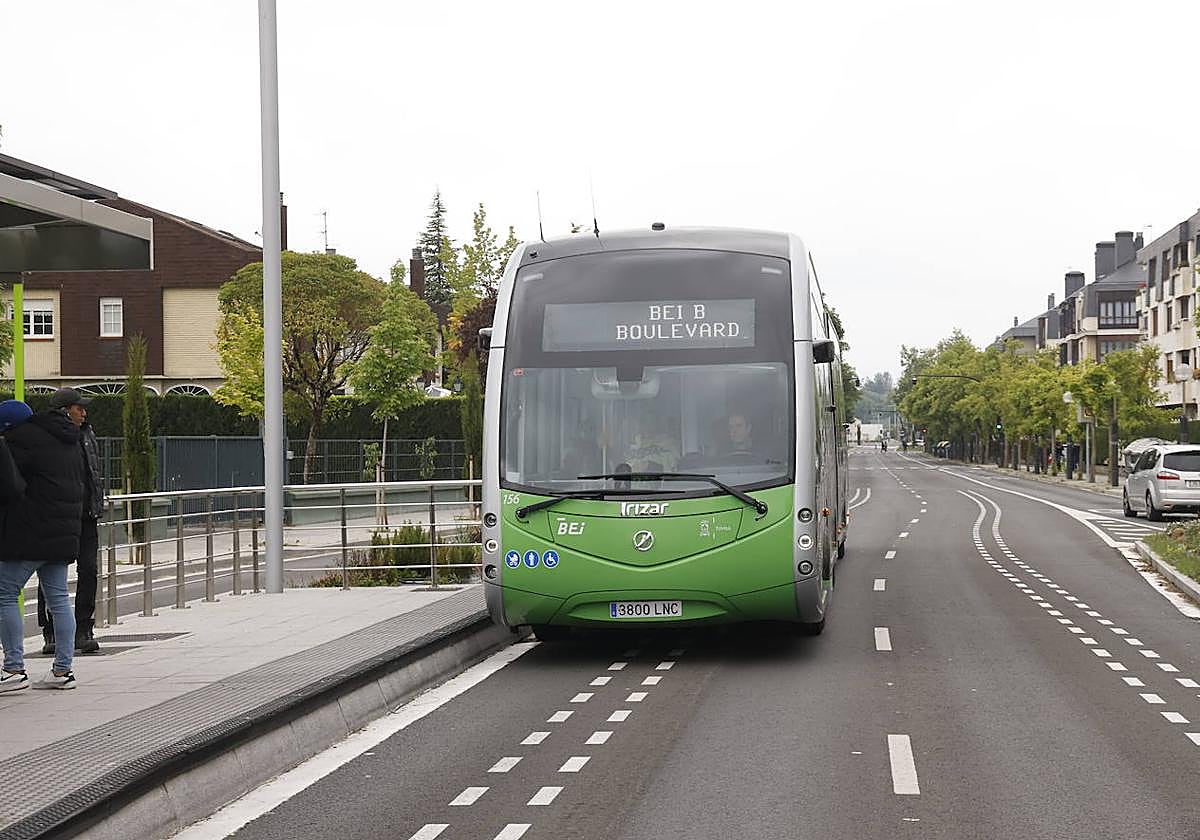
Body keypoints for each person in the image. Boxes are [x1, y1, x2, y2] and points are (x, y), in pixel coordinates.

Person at [0, 397, 86, 692]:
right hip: (64, 532)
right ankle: (62, 670)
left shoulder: (17, 441)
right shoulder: (69, 439)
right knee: (59, 599)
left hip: (29, 532)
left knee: (5, 593)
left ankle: (13, 669)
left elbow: (10, 487)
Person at [39, 388, 102, 655]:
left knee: (88, 570)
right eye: (79, 408)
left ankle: (84, 628)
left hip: (87, 514)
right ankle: (51, 631)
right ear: (66, 411)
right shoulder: (46, 437)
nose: (84, 412)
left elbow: (92, 472)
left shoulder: (87, 433)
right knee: (52, 574)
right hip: (58, 517)